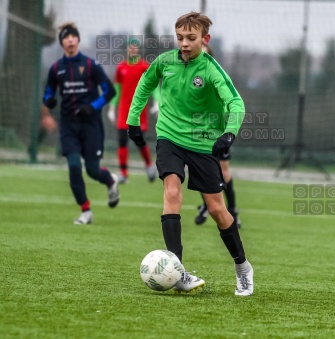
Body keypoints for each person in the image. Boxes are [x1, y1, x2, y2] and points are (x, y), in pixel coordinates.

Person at [126, 11, 254, 296]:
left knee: (216, 210)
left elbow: (236, 102)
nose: (184, 43)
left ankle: (243, 267)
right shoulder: (165, 62)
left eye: (191, 38)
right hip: (169, 137)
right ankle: (178, 271)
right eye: (180, 37)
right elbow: (145, 84)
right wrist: (133, 120)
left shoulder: (211, 69)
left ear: (204, 40)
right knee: (172, 192)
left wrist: (229, 133)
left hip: (203, 143)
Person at [42, 22, 120, 225]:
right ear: (61, 43)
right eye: (65, 38)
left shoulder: (91, 65)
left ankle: (110, 181)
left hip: (91, 124)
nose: (69, 40)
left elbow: (110, 91)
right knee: (74, 166)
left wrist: (92, 107)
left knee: (93, 170)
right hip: (68, 125)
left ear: (77, 40)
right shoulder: (56, 68)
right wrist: (49, 101)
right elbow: (48, 93)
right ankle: (86, 211)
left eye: (72, 37)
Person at [194, 43, 241, 229]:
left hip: (218, 131)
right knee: (198, 170)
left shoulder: (215, 75)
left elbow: (231, 101)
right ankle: (207, 205)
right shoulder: (192, 77)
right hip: (198, 132)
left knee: (224, 171)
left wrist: (227, 129)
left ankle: (233, 211)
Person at [107, 38, 157, 184]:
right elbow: (117, 89)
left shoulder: (144, 67)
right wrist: (112, 108)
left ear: (139, 50)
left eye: (135, 47)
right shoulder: (121, 68)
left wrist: (157, 102)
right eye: (131, 47)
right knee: (122, 141)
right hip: (124, 110)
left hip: (139, 110)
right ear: (127, 49)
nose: (133, 50)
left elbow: (153, 86)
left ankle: (149, 165)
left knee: (139, 141)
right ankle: (123, 173)